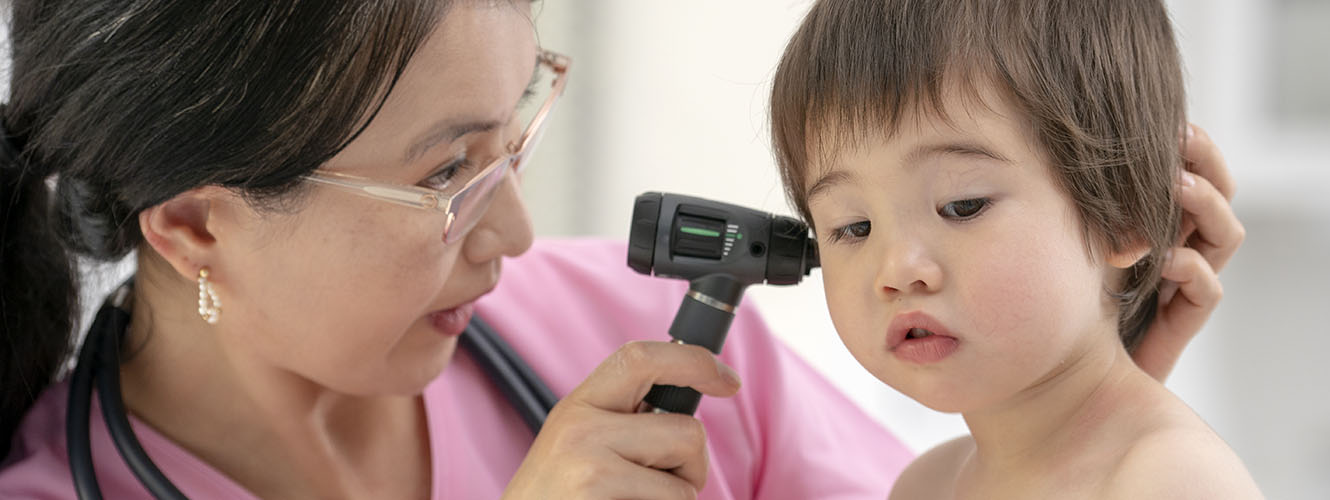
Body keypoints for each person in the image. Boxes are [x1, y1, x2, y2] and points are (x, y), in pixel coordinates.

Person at [0, 1, 1241, 498]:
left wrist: (1074, 387)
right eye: (445, 174)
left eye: (513, 134)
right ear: (197, 225)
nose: (520, 235)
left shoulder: (647, 341)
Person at [768, 0, 1259, 498]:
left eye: (962, 206)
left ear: (1124, 212)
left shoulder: (1170, 478)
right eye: (854, 227)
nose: (895, 270)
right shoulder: (924, 485)